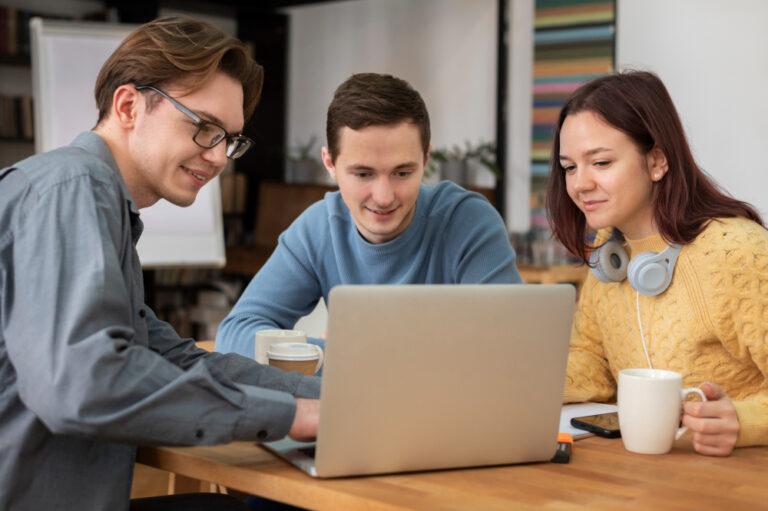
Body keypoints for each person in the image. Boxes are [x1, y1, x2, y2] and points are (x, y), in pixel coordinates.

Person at [0, 17, 320, 511]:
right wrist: (293, 417)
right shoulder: (73, 188)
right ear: (128, 106)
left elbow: (175, 358)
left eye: (229, 138)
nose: (218, 159)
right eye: (204, 128)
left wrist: (326, 394)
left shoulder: (95, 201)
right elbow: (86, 383)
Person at [216, 73, 522, 357]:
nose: (384, 196)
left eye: (403, 172)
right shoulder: (319, 229)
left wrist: (355, 353)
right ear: (330, 163)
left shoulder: (469, 221)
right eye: (363, 174)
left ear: (426, 158)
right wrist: (330, 352)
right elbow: (236, 333)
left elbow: (510, 342)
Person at [547, 70, 768, 456]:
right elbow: (592, 365)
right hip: (648, 478)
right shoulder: (609, 251)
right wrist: (514, 379)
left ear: (657, 162)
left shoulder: (737, 251)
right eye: (569, 167)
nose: (579, 184)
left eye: (600, 162)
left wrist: (746, 420)